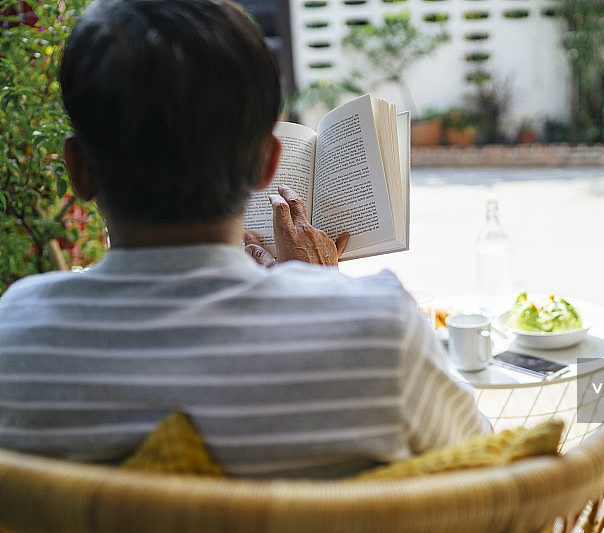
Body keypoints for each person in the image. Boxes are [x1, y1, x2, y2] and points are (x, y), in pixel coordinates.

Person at [0, 0, 487, 478]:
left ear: (78, 170)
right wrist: (319, 292)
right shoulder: (380, 333)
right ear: (268, 164)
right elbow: (489, 470)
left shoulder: (14, 337)